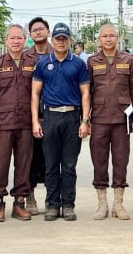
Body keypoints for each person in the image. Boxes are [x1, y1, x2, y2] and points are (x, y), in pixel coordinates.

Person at [86, 23, 133, 220]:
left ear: (117, 38)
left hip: (122, 120)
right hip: (99, 119)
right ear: (99, 39)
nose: (109, 39)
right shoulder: (92, 61)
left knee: (121, 161)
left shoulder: (127, 60)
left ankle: (118, 204)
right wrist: (85, 120)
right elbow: (86, 92)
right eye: (105, 36)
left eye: (112, 35)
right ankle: (101, 204)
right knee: (99, 161)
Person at [32, 22, 91, 220]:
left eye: (65, 38)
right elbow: (35, 94)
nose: (61, 42)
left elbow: (85, 94)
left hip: (72, 117)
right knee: (50, 164)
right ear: (52, 40)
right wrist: (35, 121)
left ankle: (68, 205)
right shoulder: (43, 64)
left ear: (69, 40)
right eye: (58, 38)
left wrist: (85, 121)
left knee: (68, 165)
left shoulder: (78, 63)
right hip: (51, 116)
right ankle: (51, 205)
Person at [0, 24, 36, 221]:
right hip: (3, 122)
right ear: (6, 40)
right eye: (12, 38)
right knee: (0, 163)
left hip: (25, 122)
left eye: (19, 38)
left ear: (25, 41)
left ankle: (20, 203)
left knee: (24, 163)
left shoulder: (32, 62)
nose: (16, 41)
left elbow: (37, 93)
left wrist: (36, 120)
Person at [26, 16, 52, 213]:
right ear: (30, 34)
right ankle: (30, 197)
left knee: (52, 158)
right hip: (30, 117)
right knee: (30, 159)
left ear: (48, 31)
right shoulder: (26, 57)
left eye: (41, 28)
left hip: (54, 115)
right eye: (34, 29)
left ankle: (51, 199)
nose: (38, 32)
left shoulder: (60, 53)